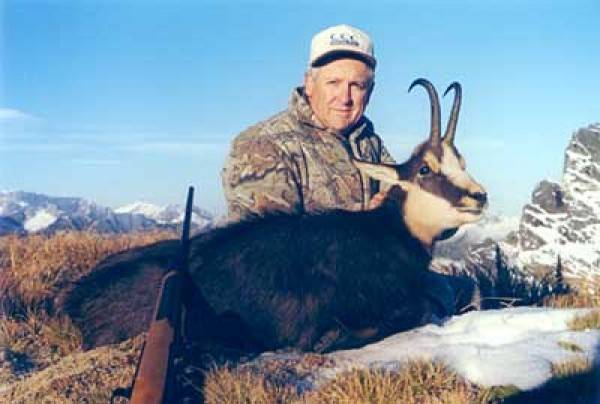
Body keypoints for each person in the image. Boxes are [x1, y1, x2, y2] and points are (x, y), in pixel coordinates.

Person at [222, 24, 395, 222]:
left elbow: (407, 193)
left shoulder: (369, 142)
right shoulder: (261, 146)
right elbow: (267, 238)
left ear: (370, 92)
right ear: (309, 84)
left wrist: (393, 203)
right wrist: (371, 224)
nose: (345, 98)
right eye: (333, 83)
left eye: (357, 85)